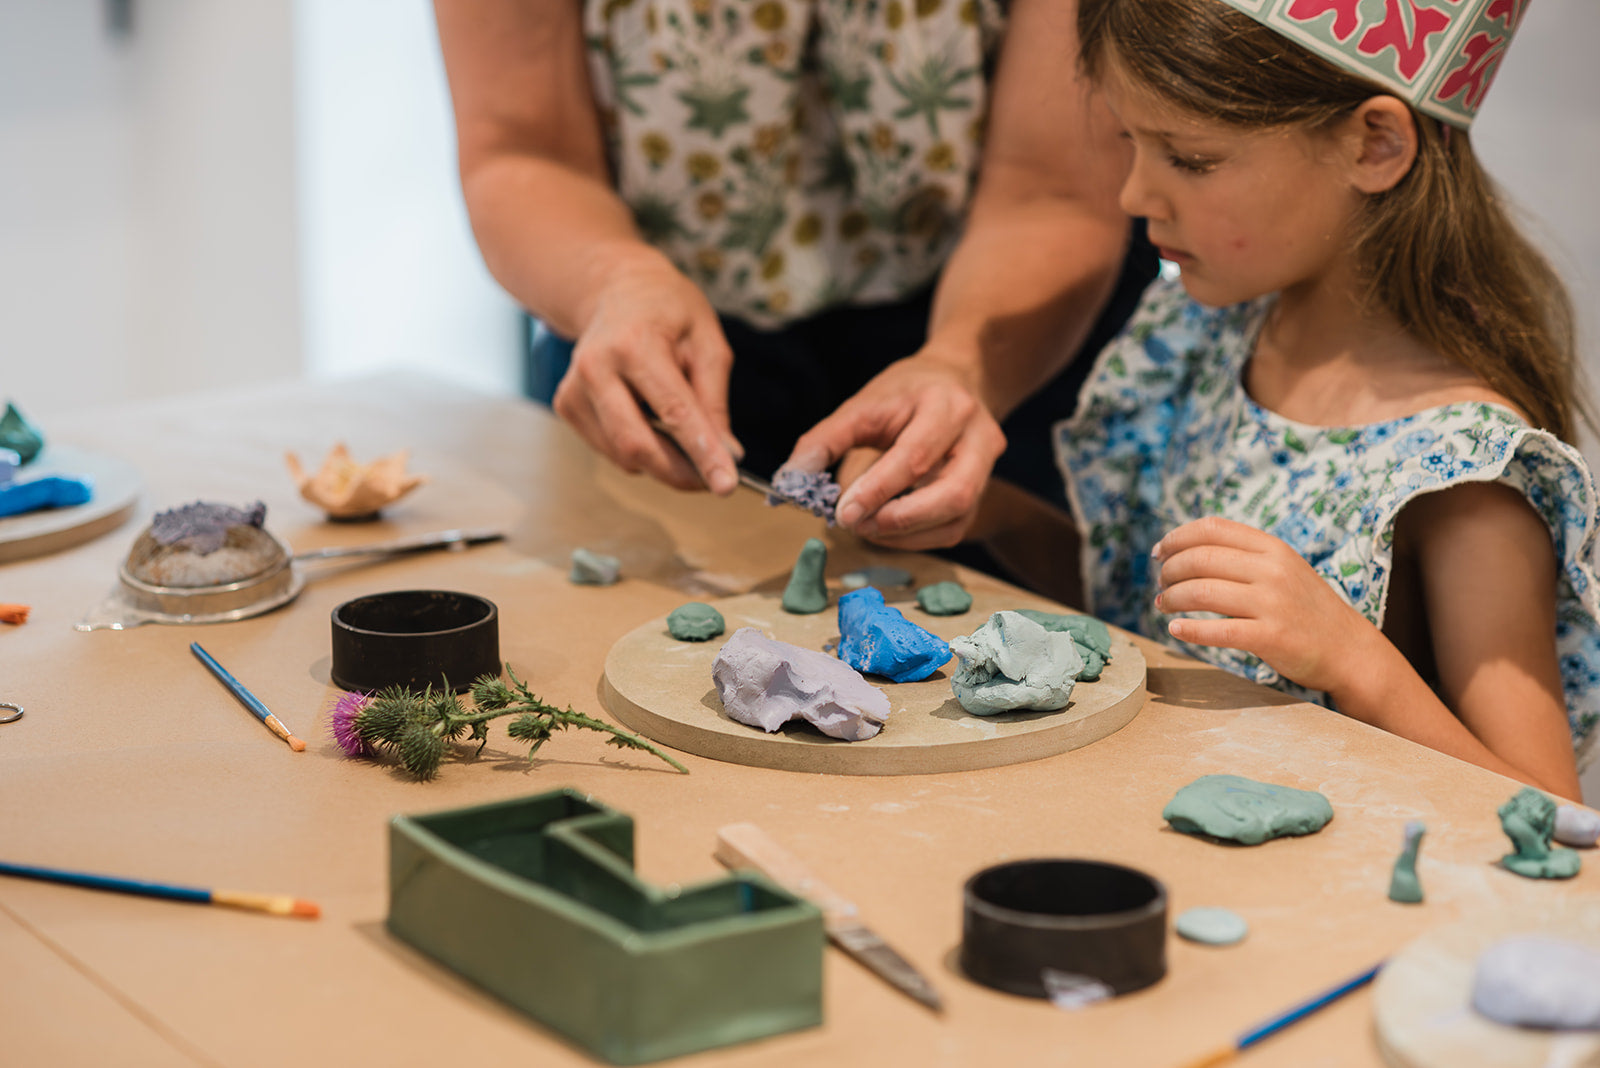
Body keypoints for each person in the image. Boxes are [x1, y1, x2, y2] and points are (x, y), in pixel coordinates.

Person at [1058, 0, 1597, 799]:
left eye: (1191, 158)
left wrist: (1351, 659)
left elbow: (1551, 815)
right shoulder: (1205, 330)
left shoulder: (1459, 469)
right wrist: (990, 516)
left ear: (1374, 145)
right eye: (1131, 142)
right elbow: (1155, 607)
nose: (1136, 194)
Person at [433, 0, 1155, 555]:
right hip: (649, 338)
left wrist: (960, 365)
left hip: (1001, 321)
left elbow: (1051, 191)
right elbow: (523, 150)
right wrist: (611, 281)